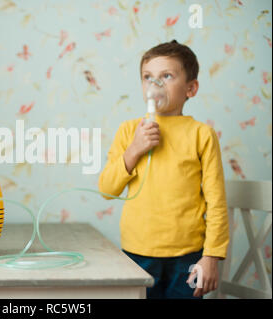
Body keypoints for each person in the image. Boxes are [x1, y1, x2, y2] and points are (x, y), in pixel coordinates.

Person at [98, 40, 229, 299]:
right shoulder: (128, 131)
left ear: (190, 88)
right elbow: (107, 190)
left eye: (166, 76)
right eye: (148, 77)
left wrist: (211, 256)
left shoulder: (201, 135)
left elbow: (216, 201)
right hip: (137, 253)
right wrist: (134, 149)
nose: (154, 85)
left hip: (187, 255)